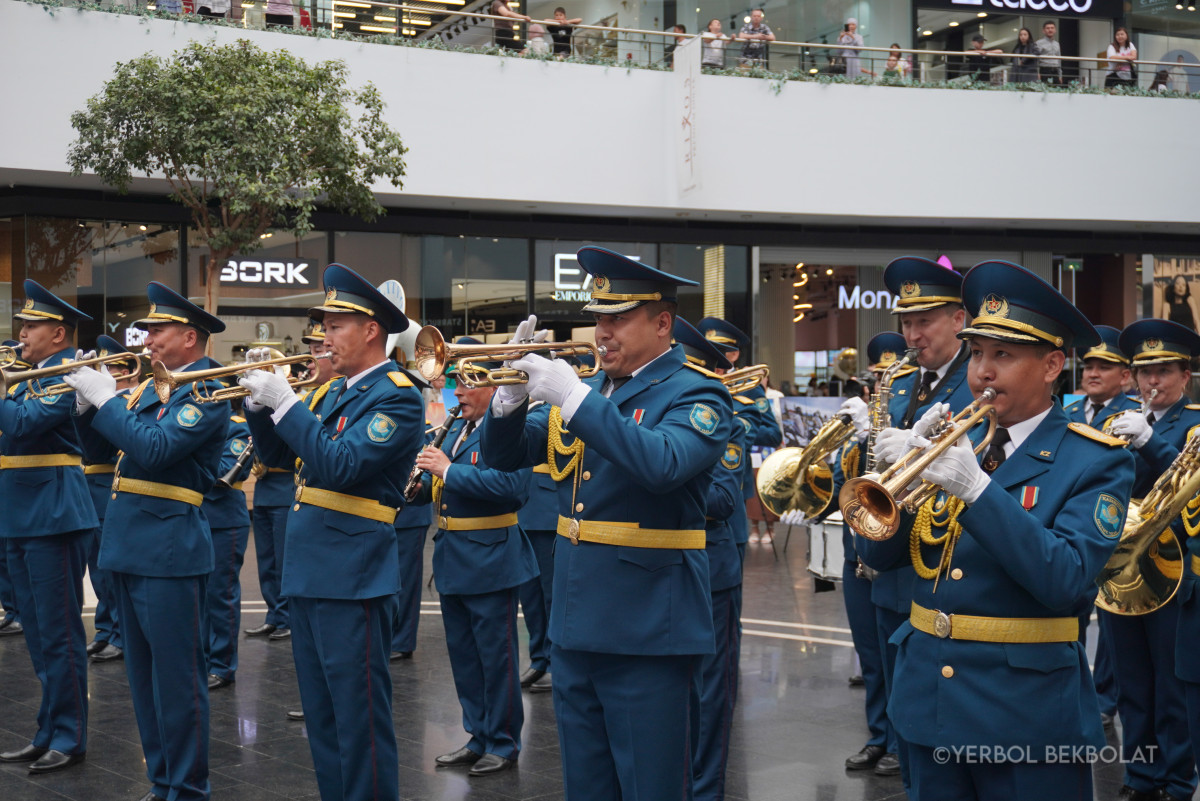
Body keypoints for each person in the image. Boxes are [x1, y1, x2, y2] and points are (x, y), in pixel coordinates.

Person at [857, 259, 1135, 801]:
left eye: (1003, 355)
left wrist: (978, 493)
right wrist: (895, 481)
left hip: (1025, 718)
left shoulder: (1093, 459)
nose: (982, 371)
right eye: (978, 353)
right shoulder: (959, 442)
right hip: (929, 704)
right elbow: (880, 556)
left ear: (1053, 364)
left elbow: (1067, 580)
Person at [480, 247, 732, 800]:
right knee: (588, 788)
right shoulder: (593, 393)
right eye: (598, 318)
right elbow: (505, 456)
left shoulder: (697, 392)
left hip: (648, 630)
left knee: (650, 788)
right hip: (578, 624)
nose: (602, 331)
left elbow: (662, 464)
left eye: (618, 318)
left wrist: (570, 396)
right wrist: (508, 400)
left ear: (663, 323)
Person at [238, 264, 423, 801]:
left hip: (354, 575)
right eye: (324, 324)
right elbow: (275, 457)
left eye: (335, 324)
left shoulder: (398, 395)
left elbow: (340, 465)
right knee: (322, 719)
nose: (323, 335)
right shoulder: (328, 394)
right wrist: (258, 409)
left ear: (371, 329)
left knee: (359, 720)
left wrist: (288, 403)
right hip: (312, 569)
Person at [67, 282, 230, 800]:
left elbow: (156, 450)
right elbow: (107, 448)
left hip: (169, 547)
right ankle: (162, 782)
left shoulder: (205, 386)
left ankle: (187, 787)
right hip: (132, 543)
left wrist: (106, 399)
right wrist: (84, 404)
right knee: (143, 682)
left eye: (158, 330)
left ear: (189, 336)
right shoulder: (153, 385)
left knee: (178, 683)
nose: (147, 338)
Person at [853, 256, 975, 787]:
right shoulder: (899, 383)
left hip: (942, 560)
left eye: (924, 320)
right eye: (906, 321)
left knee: (941, 707)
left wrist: (917, 448)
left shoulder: (978, 378)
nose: (912, 333)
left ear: (959, 320)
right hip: (891, 560)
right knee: (897, 689)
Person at [414, 342, 537, 776]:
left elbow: (512, 489)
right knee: (465, 657)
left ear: (495, 387)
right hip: (454, 557)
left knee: (496, 659)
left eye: (469, 383)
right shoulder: (459, 429)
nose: (458, 392)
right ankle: (477, 735)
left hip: (491, 558)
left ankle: (503, 743)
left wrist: (448, 471)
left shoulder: (511, 431)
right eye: (456, 382)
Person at [0, 282, 98, 776]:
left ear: (57, 332)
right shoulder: (23, 377)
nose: (20, 334)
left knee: (58, 634)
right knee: (37, 635)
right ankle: (48, 729)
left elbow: (21, 426)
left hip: (54, 514)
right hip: (19, 513)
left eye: (30, 326)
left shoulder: (70, 373)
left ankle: (70, 735)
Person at [1104, 319, 1200, 801]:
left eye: (1163, 371)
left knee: (1173, 688)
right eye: (1143, 372)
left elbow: (1192, 492)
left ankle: (1178, 781)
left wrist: (1149, 441)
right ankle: (1141, 776)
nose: (1151, 383)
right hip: (1122, 569)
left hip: (1174, 570)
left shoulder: (1196, 424)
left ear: (1186, 375)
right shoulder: (1117, 420)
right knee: (1132, 686)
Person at [674, 316, 745, 801]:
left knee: (710, 694)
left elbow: (722, 500)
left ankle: (705, 792)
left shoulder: (723, 420)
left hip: (711, 570)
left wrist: (668, 473)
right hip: (667, 572)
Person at [1062, 324, 1135, 730]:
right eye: (1089, 365)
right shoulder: (1069, 413)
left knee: (1110, 629)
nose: (1092, 373)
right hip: (1074, 527)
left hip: (1117, 535)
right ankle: (1076, 687)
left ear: (1124, 376)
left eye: (1104, 367)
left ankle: (1104, 697)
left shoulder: (1134, 416)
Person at [83, 335, 139, 665]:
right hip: (90, 481)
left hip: (113, 482)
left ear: (128, 370)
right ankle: (105, 630)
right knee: (96, 567)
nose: (110, 374)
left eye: (114, 368)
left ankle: (119, 632)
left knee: (111, 566)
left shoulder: (131, 399)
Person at [202, 410, 254, 690]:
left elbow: (229, 470)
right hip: (192, 516)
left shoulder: (235, 426)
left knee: (220, 595)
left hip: (223, 520)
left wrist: (183, 452)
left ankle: (222, 665)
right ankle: (202, 658)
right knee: (195, 597)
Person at [0, 341, 31, 640]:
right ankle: (12, 611)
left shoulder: (26, 393)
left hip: (25, 486)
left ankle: (111, 631)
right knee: (6, 558)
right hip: (8, 484)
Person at [1036, 21, 1062, 85]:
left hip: (1055, 71)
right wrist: (1037, 73)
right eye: (1047, 28)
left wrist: (1060, 75)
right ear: (1043, 31)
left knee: (1057, 92)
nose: (1050, 30)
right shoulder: (1038, 43)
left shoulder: (1057, 44)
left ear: (1055, 30)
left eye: (1052, 28)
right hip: (1044, 70)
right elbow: (1036, 60)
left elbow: (1059, 60)